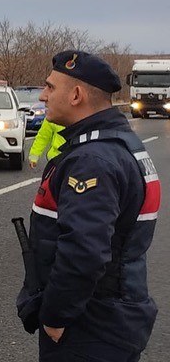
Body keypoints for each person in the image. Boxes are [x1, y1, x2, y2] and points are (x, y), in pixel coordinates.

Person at [16, 51, 159, 361]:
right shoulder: (118, 142)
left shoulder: (91, 160)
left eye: (51, 88)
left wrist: (55, 316)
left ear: (76, 95)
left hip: (91, 326)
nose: (43, 96)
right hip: (113, 316)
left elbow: (85, 251)